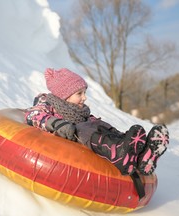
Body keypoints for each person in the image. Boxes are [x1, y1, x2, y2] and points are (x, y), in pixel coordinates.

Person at [24, 68, 169, 176]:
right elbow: (33, 114)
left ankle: (141, 154)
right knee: (83, 128)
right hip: (71, 139)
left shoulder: (81, 111)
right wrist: (56, 123)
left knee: (98, 124)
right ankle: (119, 153)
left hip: (88, 133)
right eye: (79, 94)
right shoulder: (48, 103)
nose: (84, 98)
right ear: (64, 95)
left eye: (84, 93)